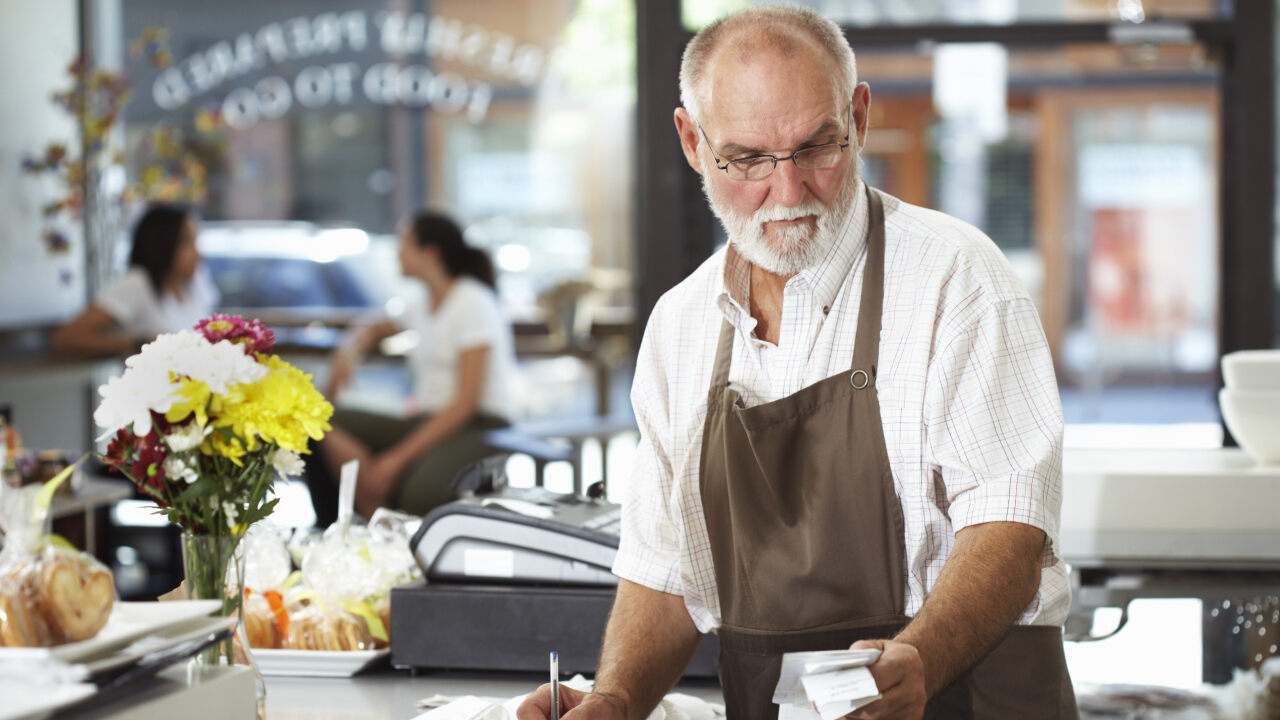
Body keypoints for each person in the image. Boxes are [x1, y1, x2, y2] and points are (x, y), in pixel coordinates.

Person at [518, 7, 1075, 720]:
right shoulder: (679, 326)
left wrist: (923, 659)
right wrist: (617, 698)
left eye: (817, 148)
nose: (787, 193)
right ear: (693, 142)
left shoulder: (957, 279)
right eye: (747, 159)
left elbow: (1008, 530)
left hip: (965, 698)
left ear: (859, 117)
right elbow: (663, 572)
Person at [307, 211, 517, 523]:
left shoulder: (473, 301)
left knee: (417, 493)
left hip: (480, 423)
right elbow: (374, 327)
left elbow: (466, 404)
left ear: (429, 253)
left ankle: (378, 515)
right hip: (428, 418)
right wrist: (346, 354)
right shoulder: (422, 302)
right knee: (319, 416)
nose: (397, 253)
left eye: (404, 243)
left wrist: (394, 460)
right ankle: (371, 511)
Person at [51, 203, 218, 357]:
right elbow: (66, 339)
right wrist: (141, 342)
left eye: (195, 240)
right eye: (186, 242)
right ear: (162, 243)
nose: (198, 253)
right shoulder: (138, 283)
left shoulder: (196, 283)